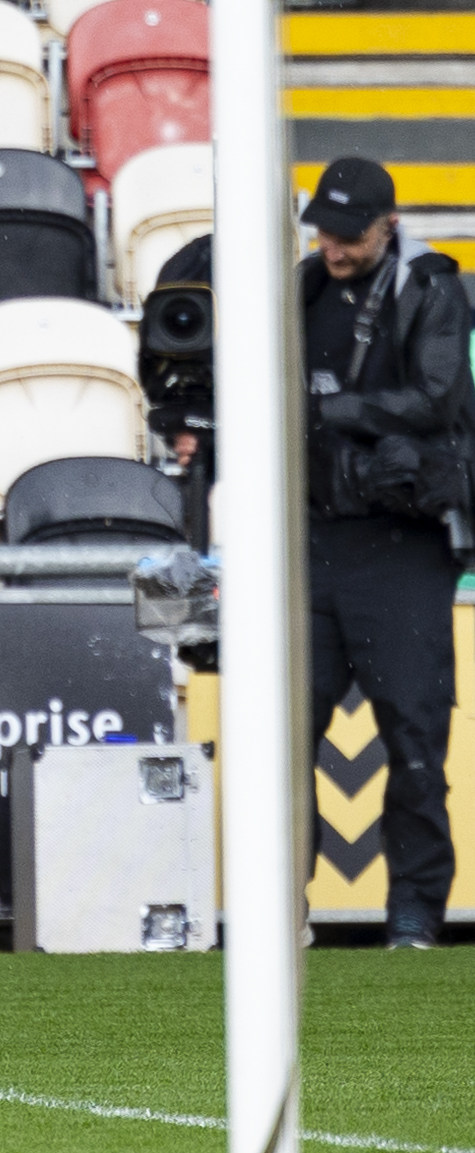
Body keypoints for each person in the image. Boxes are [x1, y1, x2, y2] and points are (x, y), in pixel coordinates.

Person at [298, 157, 475, 949]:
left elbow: (439, 397)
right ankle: (281, 908)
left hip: (403, 543)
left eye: (347, 234)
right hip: (310, 541)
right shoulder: (301, 287)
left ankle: (413, 910)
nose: (331, 247)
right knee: (285, 733)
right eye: (322, 231)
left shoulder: (431, 287)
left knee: (411, 732)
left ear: (387, 225)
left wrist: (334, 408)